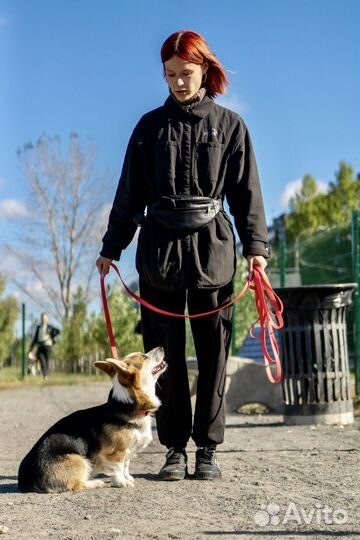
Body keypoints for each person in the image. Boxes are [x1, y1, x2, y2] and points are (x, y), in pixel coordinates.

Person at [96, 30, 271, 481]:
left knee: (214, 353)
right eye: (170, 74)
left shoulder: (231, 126)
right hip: (159, 250)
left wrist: (256, 251)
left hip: (213, 250)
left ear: (205, 70)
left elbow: (247, 194)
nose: (177, 83)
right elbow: (129, 194)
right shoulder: (148, 128)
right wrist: (111, 248)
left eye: (186, 74)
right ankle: (175, 448)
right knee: (163, 355)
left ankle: (208, 450)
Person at [29, 313, 60, 379]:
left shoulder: (50, 327)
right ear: (41, 319)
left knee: (47, 361)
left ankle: (45, 374)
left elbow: (58, 331)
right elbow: (35, 338)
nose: (43, 319)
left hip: (48, 346)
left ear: (47, 319)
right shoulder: (38, 328)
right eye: (42, 318)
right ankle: (45, 374)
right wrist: (31, 347)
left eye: (45, 318)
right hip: (40, 346)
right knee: (42, 360)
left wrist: (52, 335)